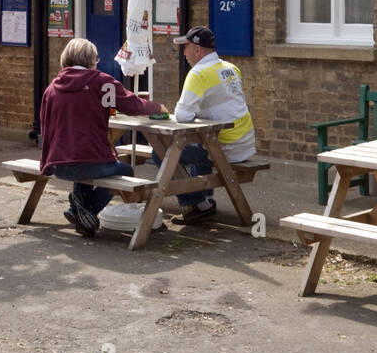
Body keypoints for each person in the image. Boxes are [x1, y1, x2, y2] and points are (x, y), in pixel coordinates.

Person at [38, 38, 165, 238]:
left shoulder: (51, 89)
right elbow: (132, 105)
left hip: (58, 164)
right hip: (91, 162)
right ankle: (87, 210)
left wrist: (46, 161)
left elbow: (45, 129)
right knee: (125, 170)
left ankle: (78, 208)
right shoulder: (101, 82)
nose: (97, 62)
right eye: (96, 58)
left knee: (81, 161)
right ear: (90, 60)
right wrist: (157, 108)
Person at [156, 26, 255, 225]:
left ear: (198, 50)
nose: (184, 53)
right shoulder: (230, 68)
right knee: (198, 145)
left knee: (161, 151)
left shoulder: (198, 74)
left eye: (186, 48)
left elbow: (183, 116)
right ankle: (206, 200)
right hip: (245, 144)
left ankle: (196, 204)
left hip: (225, 148)